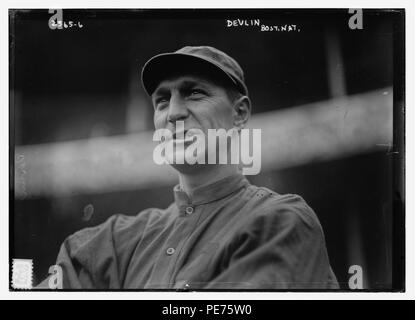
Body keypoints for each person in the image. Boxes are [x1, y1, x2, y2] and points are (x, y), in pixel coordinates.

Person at [38, 46, 339, 289]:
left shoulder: (281, 220)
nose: (174, 113)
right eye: (162, 100)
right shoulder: (115, 240)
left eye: (194, 92)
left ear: (240, 113)